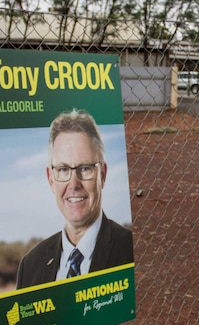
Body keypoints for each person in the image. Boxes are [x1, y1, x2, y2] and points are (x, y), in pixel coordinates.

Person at [15, 109, 133, 289]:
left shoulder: (129, 251)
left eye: (84, 168)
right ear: (50, 179)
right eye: (63, 170)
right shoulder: (30, 266)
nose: (74, 183)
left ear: (102, 175)